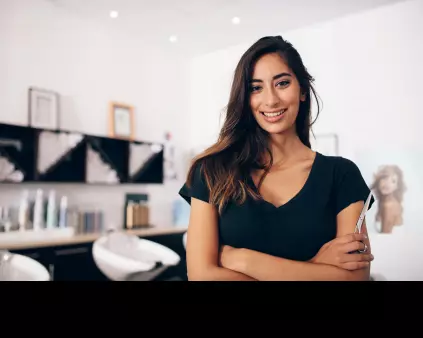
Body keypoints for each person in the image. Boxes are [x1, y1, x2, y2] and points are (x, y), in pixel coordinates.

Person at [179, 36, 375, 281]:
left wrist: (243, 260)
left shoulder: (342, 175)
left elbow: (354, 279)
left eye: (282, 83)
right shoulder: (211, 171)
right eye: (255, 87)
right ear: (245, 97)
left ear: (302, 90)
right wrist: (315, 266)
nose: (271, 100)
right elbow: (201, 276)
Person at [371, 165, 406, 234]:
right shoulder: (382, 202)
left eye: (393, 181)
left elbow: (384, 237)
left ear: (397, 186)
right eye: (385, 178)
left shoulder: (390, 205)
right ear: (379, 180)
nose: (387, 184)